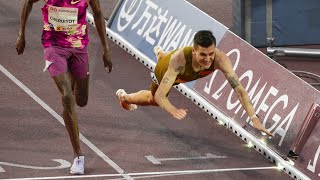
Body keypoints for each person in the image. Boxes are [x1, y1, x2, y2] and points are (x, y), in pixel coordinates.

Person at [15, 0, 112, 175]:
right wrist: (21, 34)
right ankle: (78, 156)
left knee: (81, 100)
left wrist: (106, 48)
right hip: (54, 47)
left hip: (78, 47)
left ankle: (70, 107)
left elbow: (98, 14)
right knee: (67, 96)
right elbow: (28, 2)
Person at [116, 30, 273, 137]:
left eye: (211, 54)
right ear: (193, 51)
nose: (208, 59)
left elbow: (239, 90)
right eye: (203, 55)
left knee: (170, 64)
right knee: (152, 100)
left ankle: (161, 54)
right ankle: (125, 98)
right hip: (169, 71)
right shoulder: (179, 60)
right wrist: (172, 110)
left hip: (183, 72)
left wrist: (254, 118)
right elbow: (160, 95)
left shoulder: (221, 59)